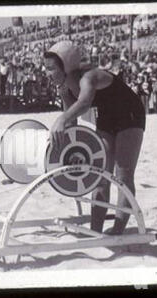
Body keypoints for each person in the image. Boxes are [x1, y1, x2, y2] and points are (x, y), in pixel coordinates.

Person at [44, 41, 145, 235]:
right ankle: (95, 230)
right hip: (107, 116)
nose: (48, 73)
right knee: (100, 174)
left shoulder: (87, 78)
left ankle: (118, 228)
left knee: (123, 173)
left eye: (51, 69)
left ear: (65, 66)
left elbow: (83, 103)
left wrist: (61, 119)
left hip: (130, 114)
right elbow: (71, 123)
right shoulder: (64, 88)